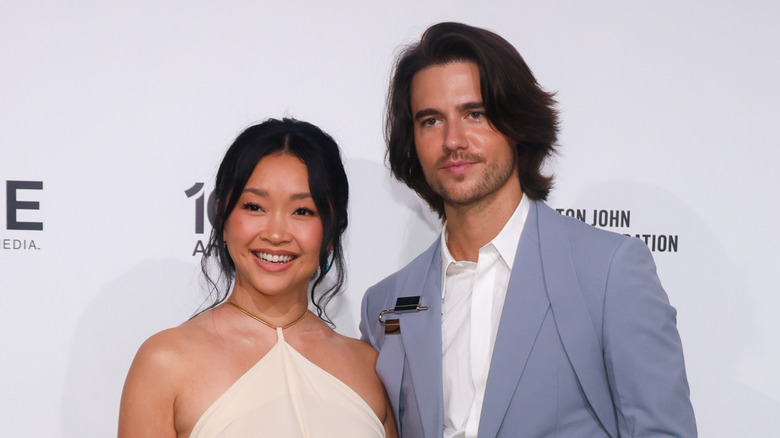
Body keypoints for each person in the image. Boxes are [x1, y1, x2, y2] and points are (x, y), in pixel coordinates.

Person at [360, 22, 696, 438]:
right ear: (411, 140)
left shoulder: (609, 272)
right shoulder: (385, 304)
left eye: (475, 114)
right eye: (431, 120)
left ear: (517, 123)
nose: (453, 140)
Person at [119, 118, 397, 437]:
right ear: (222, 216)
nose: (276, 234)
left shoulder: (370, 367)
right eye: (255, 206)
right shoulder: (164, 363)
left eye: (302, 211)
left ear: (332, 232)